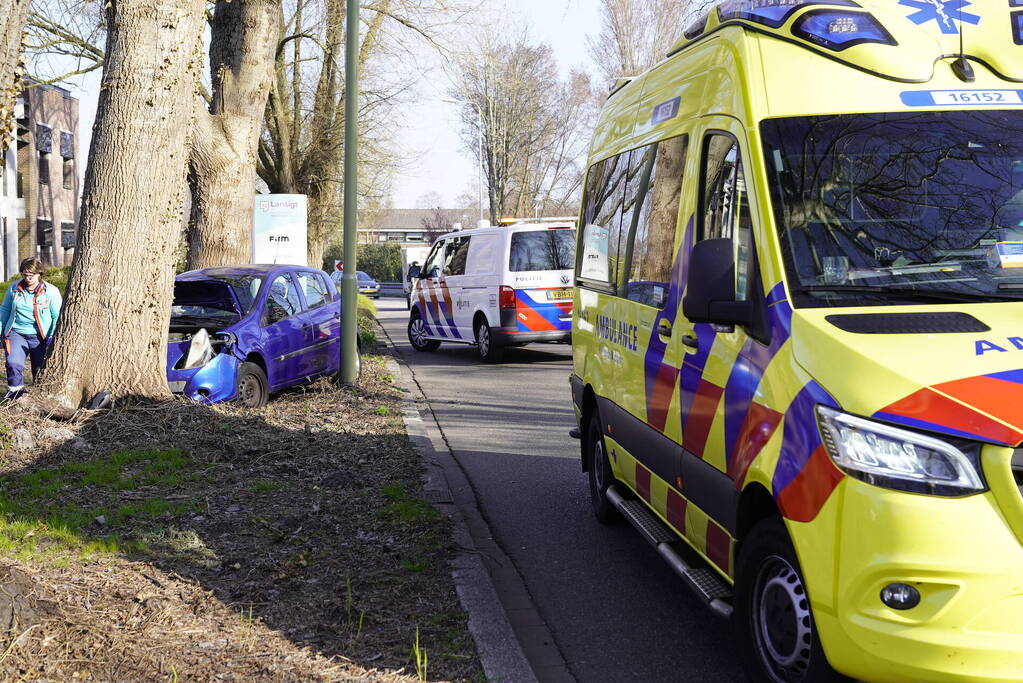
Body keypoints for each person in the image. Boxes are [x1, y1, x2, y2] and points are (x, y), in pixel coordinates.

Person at [0, 258, 62, 399]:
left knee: (39, 370)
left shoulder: (51, 291)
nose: (27, 279)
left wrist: (51, 336)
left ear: (39, 274)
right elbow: (4, 310)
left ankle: (39, 399)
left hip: (40, 337)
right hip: (16, 333)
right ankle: (15, 397)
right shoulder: (14, 288)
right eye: (24, 275)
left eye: (31, 275)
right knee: (13, 363)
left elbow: (57, 316)